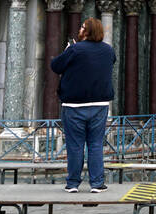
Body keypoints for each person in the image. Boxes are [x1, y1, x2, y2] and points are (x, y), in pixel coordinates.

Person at [49, 17, 116, 193]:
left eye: (82, 27)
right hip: (100, 105)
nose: (79, 29)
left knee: (75, 145)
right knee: (95, 144)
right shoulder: (108, 50)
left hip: (74, 106)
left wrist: (67, 51)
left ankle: (72, 184)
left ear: (87, 32)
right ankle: (97, 183)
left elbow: (55, 66)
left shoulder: (75, 49)